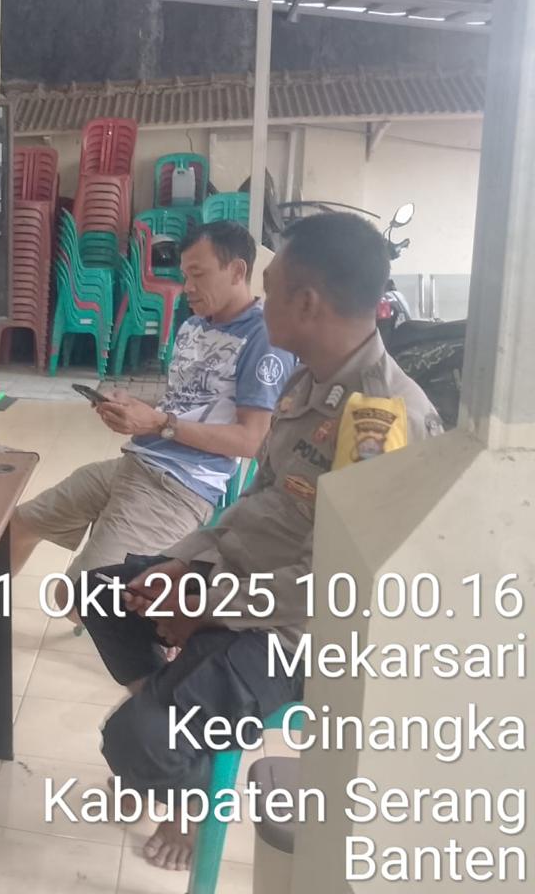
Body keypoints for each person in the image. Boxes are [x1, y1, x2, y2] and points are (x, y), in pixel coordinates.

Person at [79, 212, 442, 872]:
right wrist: (182, 563)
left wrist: (206, 605)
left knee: (135, 739)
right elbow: (255, 501)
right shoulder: (308, 382)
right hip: (238, 579)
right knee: (102, 593)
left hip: (295, 633)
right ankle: (180, 735)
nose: (260, 303)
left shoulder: (382, 421)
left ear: (307, 303)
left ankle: (181, 786)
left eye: (270, 290)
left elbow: (333, 584)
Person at [11, 222, 294, 616]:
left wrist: (160, 423)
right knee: (17, 526)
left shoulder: (264, 339)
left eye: (198, 274)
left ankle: (167, 631)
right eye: (184, 275)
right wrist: (131, 408)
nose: (188, 287)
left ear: (237, 271)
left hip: (178, 487)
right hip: (135, 463)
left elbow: (252, 440)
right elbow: (183, 402)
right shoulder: (194, 325)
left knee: (76, 600)